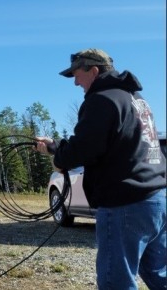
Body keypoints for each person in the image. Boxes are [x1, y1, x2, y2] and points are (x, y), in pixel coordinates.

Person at [34, 48, 166, 290]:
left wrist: (60, 160)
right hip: (156, 200)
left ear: (94, 70)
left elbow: (84, 149)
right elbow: (112, 143)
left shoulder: (101, 99)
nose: (75, 82)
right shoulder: (135, 99)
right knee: (160, 275)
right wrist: (56, 147)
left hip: (124, 206)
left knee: (115, 283)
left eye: (77, 74)